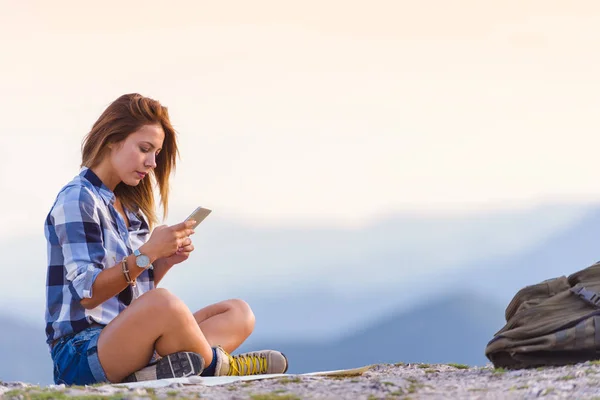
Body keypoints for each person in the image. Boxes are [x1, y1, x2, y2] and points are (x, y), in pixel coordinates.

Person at [44, 93, 288, 386]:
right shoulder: (77, 199)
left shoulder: (129, 208)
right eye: (145, 149)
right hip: (82, 354)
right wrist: (148, 253)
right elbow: (89, 294)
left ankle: (149, 373)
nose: (152, 163)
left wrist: (163, 260)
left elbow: (127, 295)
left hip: (130, 341)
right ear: (112, 139)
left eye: (156, 153)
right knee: (162, 303)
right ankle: (223, 367)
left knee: (238, 313)